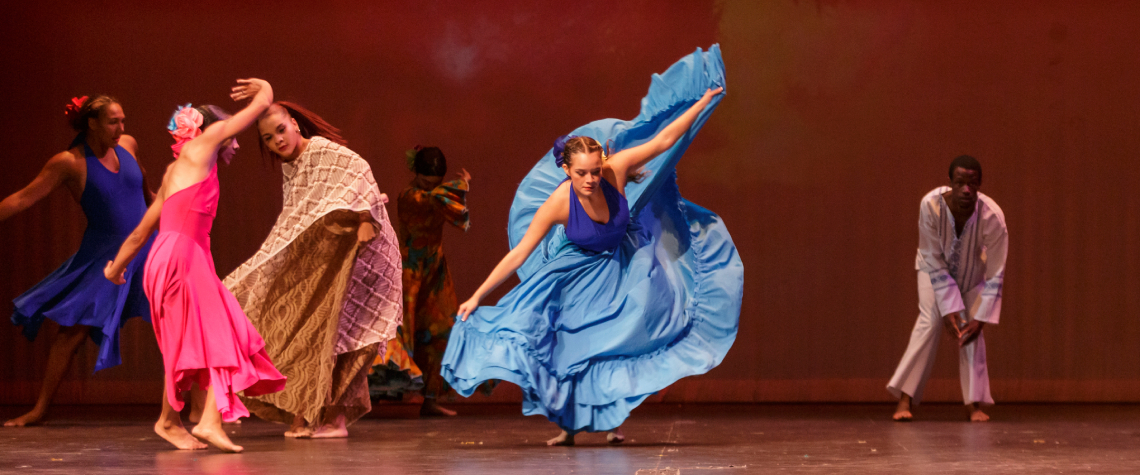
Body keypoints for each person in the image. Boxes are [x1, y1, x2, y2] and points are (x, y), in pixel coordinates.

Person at [440, 45, 742, 446]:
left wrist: (704, 102)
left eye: (595, 172)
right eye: (581, 173)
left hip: (619, 265)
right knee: (567, 346)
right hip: (573, 273)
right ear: (566, 170)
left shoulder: (615, 171)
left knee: (622, 333)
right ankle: (568, 426)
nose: (590, 180)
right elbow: (520, 254)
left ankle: (609, 418)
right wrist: (477, 296)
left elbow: (667, 138)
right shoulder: (559, 202)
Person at [104, 79, 286, 452]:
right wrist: (264, 88)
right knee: (222, 333)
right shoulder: (203, 146)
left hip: (168, 257)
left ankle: (169, 422)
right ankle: (208, 421)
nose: (234, 143)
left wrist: (115, 268)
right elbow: (257, 110)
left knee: (194, 341)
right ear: (209, 131)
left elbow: (141, 232)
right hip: (183, 257)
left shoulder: (175, 172)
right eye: (228, 136)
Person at [222, 101, 402, 438]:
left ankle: (331, 419)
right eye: (267, 138)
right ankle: (314, 415)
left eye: (280, 129)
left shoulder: (320, 150)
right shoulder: (291, 168)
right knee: (320, 333)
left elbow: (358, 171)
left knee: (350, 337)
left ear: (293, 123)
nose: (277, 140)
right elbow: (299, 222)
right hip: (339, 258)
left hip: (370, 256)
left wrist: (365, 216)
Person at [2, 95, 153, 427]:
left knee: (179, 318)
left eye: (123, 120)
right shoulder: (69, 163)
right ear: (92, 123)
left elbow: (145, 190)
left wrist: (168, 216)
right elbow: (24, 197)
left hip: (147, 245)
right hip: (105, 257)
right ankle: (40, 408)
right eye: (113, 121)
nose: (121, 128)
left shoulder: (127, 145)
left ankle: (201, 408)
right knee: (71, 332)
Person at [887, 155, 1008, 423]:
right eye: (960, 182)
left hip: (972, 274)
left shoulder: (992, 217)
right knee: (929, 322)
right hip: (933, 270)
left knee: (971, 332)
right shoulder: (930, 205)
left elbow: (996, 270)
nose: (966, 189)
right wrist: (947, 307)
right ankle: (904, 398)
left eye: (972, 183)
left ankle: (973, 405)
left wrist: (982, 316)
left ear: (980, 184)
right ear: (950, 183)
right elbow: (932, 256)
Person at [372, 146, 472, 416]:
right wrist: (459, 185)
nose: (432, 186)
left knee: (441, 330)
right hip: (408, 270)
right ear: (415, 174)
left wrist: (454, 189)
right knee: (402, 331)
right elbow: (432, 200)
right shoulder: (409, 196)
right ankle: (381, 391)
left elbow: (443, 201)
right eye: (427, 181)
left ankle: (430, 399)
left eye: (436, 182)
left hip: (435, 270)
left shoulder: (436, 195)